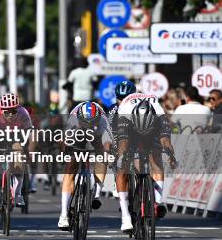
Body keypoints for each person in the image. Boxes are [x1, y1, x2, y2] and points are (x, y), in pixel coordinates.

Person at [115, 93, 177, 232]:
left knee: (156, 157)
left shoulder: (160, 117)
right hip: (130, 130)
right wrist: (122, 157)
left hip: (152, 131)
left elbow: (165, 141)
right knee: (122, 167)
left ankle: (158, 202)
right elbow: (123, 142)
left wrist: (171, 155)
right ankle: (125, 217)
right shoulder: (125, 114)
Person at [58, 101, 113, 230]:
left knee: (103, 155)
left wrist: (108, 149)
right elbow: (63, 142)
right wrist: (64, 151)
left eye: (91, 123)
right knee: (71, 167)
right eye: (86, 123)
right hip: (76, 134)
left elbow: (107, 143)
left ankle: (97, 192)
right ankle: (63, 215)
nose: (88, 126)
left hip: (97, 134)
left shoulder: (103, 121)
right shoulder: (73, 120)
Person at [0, 93, 33, 215]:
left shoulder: (23, 112)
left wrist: (30, 151)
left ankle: (18, 193)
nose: (10, 114)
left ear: (18, 108)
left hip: (16, 136)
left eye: (13, 111)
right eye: (7, 112)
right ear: (1, 110)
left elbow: (31, 134)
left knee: (19, 162)